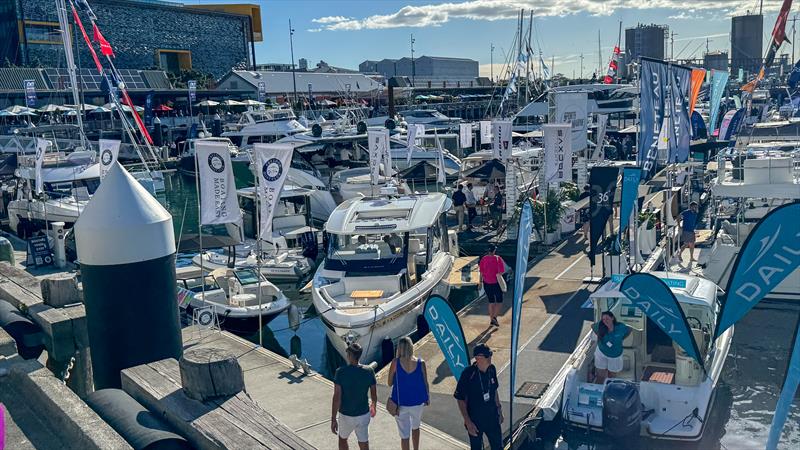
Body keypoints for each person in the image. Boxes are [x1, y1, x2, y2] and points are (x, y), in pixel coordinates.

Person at [454, 344, 503, 450]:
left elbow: (494, 390)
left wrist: (499, 410)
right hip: (475, 421)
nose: (490, 357)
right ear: (477, 358)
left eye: (490, 354)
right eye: (487, 355)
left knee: (498, 447)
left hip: (492, 417)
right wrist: (468, 422)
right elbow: (460, 399)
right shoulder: (468, 374)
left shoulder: (492, 369)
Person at [331, 343, 377, 450]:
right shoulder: (369, 371)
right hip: (363, 414)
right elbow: (374, 393)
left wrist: (333, 419)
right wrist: (373, 405)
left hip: (346, 415)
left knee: (342, 439)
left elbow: (336, 397)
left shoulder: (340, 372)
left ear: (350, 355)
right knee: (363, 441)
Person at [388, 337, 430, 450]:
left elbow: (389, 382)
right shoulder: (421, 363)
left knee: (404, 435)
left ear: (400, 349)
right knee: (416, 428)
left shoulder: (395, 363)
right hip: (417, 402)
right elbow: (425, 382)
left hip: (401, 403)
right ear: (411, 347)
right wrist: (427, 398)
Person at [592, 311, 630, 384]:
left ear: (612, 318)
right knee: (600, 376)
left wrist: (622, 338)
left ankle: (609, 389)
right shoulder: (600, 326)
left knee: (612, 377)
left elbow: (629, 330)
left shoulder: (620, 327)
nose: (605, 321)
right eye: (603, 319)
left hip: (615, 355)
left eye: (607, 318)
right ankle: (598, 391)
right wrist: (599, 336)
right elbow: (592, 326)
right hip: (601, 353)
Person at [479, 244, 506, 327]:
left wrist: (480, 282)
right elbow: (502, 272)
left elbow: (481, 272)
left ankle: (492, 320)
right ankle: (494, 317)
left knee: (491, 302)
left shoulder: (483, 259)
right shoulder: (498, 259)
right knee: (499, 301)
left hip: (486, 283)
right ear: (494, 251)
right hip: (496, 283)